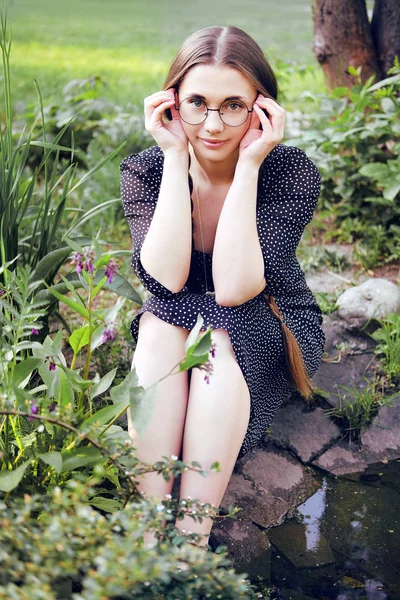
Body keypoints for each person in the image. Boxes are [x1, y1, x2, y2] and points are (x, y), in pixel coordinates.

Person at [120, 25, 325, 551]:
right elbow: (166, 280)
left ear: (261, 108)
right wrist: (171, 158)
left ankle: (190, 541)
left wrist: (250, 165)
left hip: (266, 315)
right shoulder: (146, 170)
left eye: (233, 105)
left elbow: (234, 289)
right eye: (197, 103)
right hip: (180, 309)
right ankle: (149, 528)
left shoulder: (289, 172)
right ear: (170, 104)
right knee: (164, 321)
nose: (212, 124)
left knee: (218, 327)